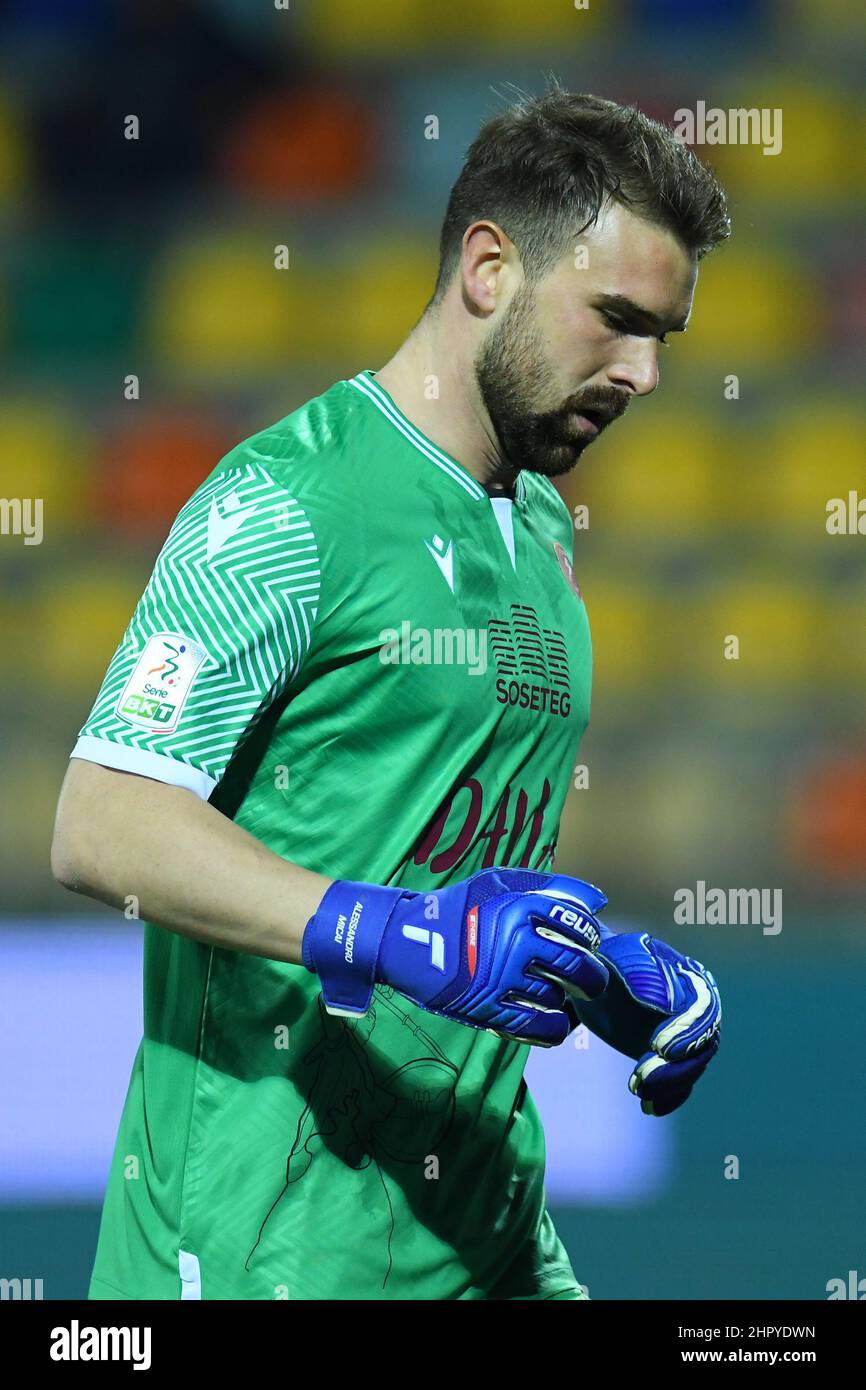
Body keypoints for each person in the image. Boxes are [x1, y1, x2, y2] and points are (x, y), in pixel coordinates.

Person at [51, 86, 727, 1302]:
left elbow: (444, 871)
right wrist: (386, 934)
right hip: (267, 1249)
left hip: (481, 1234)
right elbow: (101, 821)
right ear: (485, 266)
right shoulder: (287, 503)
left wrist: (590, 973)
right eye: (615, 319)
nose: (641, 372)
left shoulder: (538, 527)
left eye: (661, 337)